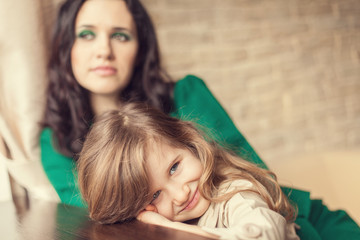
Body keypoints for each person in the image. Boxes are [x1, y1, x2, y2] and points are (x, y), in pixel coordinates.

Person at [40, 0, 360, 239]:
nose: (104, 50)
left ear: (140, 48)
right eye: (86, 34)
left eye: (121, 36)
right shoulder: (56, 140)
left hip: (299, 222)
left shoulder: (186, 94)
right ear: (67, 46)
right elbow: (111, 220)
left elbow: (249, 177)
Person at [77, 103, 300, 240]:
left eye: (174, 168)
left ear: (188, 143)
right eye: (155, 195)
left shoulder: (234, 192)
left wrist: (168, 227)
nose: (181, 194)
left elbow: (266, 235)